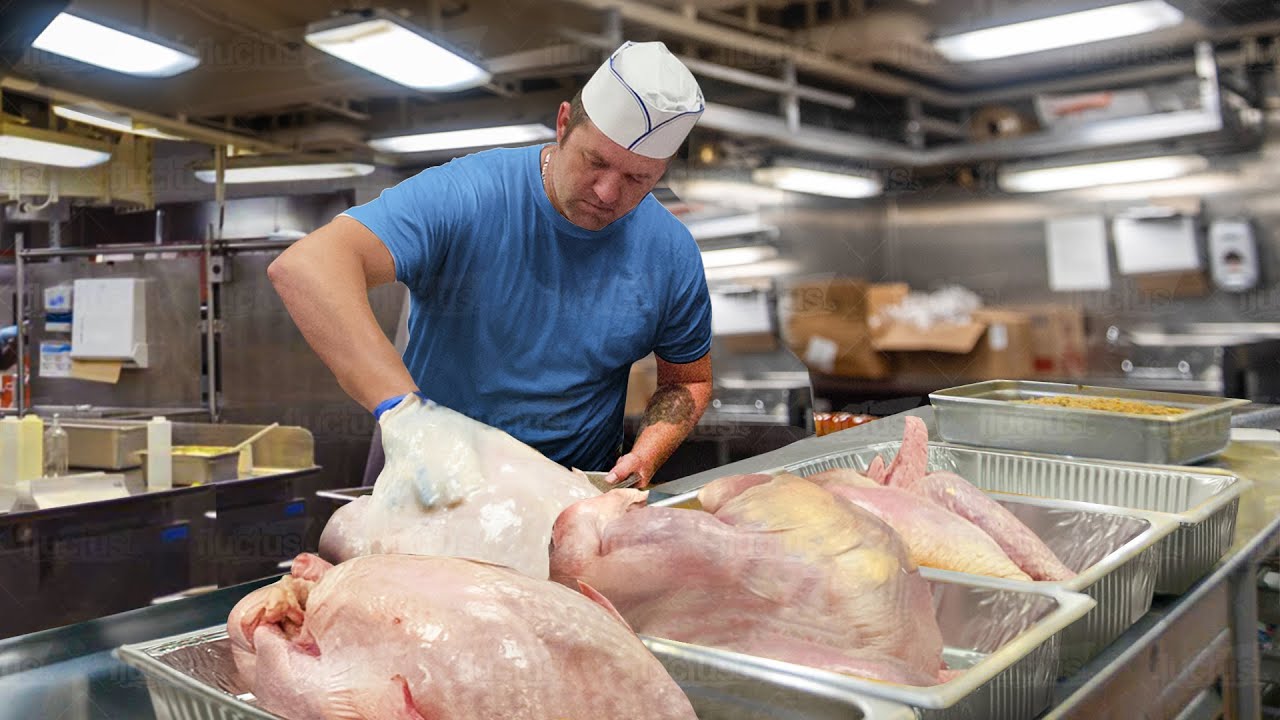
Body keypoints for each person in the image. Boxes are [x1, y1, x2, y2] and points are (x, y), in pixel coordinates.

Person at [269, 41, 713, 489]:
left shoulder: (670, 254)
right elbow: (308, 267)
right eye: (594, 161)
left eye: (638, 178)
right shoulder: (469, 196)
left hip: (573, 500)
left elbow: (687, 382)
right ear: (563, 125)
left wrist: (645, 455)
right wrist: (405, 416)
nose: (606, 193)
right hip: (437, 490)